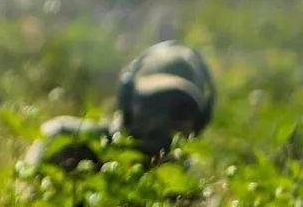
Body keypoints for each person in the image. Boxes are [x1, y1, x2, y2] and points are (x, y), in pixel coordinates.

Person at [24, 40, 216, 172]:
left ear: (199, 122)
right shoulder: (66, 142)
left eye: (179, 109)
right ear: (127, 100)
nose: (161, 118)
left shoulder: (186, 183)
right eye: (153, 102)